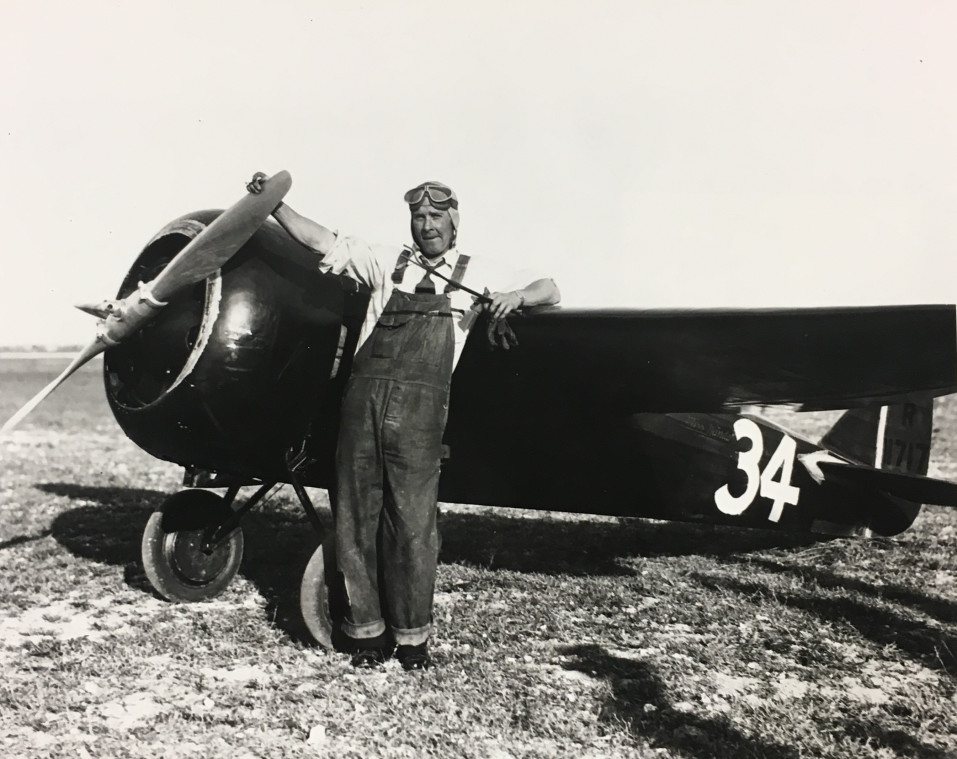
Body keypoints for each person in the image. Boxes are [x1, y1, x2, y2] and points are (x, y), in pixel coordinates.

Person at [246, 174, 560, 670]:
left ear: (454, 221)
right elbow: (317, 239)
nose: (426, 225)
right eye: (419, 216)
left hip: (419, 419)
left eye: (436, 217)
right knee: (354, 521)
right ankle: (366, 635)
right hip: (361, 408)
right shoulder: (385, 261)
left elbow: (551, 287)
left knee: (413, 527)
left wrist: (516, 297)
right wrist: (273, 203)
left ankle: (412, 641)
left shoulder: (480, 271)